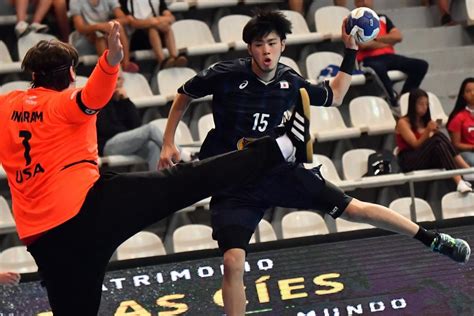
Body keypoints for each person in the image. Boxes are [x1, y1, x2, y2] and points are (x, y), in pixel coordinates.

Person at [159, 10, 470, 316]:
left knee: (355, 209)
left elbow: (335, 96)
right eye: (258, 45)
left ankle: (432, 239)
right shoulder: (226, 74)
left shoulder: (290, 81)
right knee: (232, 263)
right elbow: (184, 94)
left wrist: (350, 50)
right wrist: (169, 141)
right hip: (231, 180)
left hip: (277, 172)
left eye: (271, 43)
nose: (265, 51)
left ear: (282, 45)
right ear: (249, 48)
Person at [0, 21, 311, 315]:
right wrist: (111, 60)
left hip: (44, 241)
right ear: (70, 73)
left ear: (33, 74)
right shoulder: (64, 104)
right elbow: (94, 94)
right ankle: (279, 148)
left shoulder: (6, 105)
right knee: (184, 180)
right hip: (87, 210)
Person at [97, 70, 194, 170]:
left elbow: (136, 125)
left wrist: (125, 101)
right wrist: (131, 134)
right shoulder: (100, 100)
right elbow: (106, 129)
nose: (117, 83)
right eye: (113, 79)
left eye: (119, 79)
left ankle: (159, 182)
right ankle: (181, 154)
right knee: (150, 129)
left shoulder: (123, 101)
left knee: (153, 147)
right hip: (108, 145)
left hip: (128, 142)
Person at [354, 0, 429, 115]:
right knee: (378, 68)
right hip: (368, 59)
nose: (364, 2)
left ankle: (403, 99)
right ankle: (394, 103)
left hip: (389, 56)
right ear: (355, 3)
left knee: (421, 65)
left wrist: (375, 39)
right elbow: (363, 44)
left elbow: (398, 37)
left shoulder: (382, 18)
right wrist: (388, 41)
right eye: (360, 0)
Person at [396, 88, 472, 192]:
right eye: (421, 104)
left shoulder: (425, 122)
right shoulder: (403, 122)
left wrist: (431, 131)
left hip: (426, 157)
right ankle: (461, 177)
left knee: (439, 138)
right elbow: (415, 144)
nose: (424, 107)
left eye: (426, 104)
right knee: (437, 139)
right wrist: (428, 131)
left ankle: (466, 172)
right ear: (413, 105)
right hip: (410, 160)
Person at [69, 0, 140, 72]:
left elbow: (124, 19)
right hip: (86, 38)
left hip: (107, 34)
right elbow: (80, 28)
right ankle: (108, 71)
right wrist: (100, 26)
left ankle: (126, 63)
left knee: (117, 27)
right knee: (100, 34)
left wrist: (107, 26)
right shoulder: (75, 2)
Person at [120, 0, 187, 69]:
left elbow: (170, 18)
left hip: (158, 30)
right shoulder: (125, 2)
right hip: (137, 37)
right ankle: (162, 61)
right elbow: (133, 23)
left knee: (167, 28)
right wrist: (153, 22)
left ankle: (174, 57)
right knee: (152, 29)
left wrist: (155, 21)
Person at [447, 78, 474, 166]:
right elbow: (456, 144)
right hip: (467, 153)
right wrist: (472, 147)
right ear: (463, 95)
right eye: (468, 91)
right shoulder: (458, 118)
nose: (473, 93)